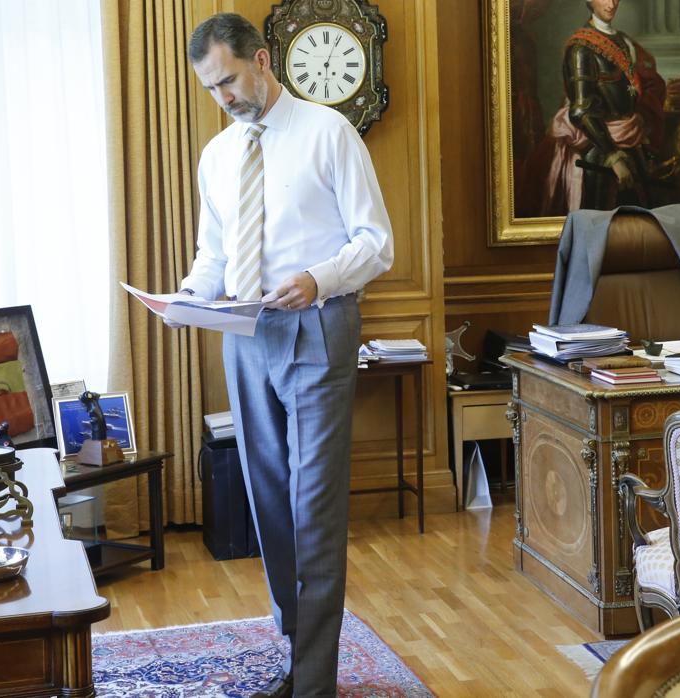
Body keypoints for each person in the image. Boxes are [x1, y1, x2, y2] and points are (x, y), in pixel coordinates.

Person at [176, 13, 393, 698]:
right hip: (244, 333)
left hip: (318, 325)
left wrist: (318, 278)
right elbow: (213, 255)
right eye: (211, 89)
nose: (224, 99)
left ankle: (314, 685)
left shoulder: (329, 132)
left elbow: (375, 242)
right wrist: (183, 298)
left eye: (229, 81)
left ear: (262, 60)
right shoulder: (218, 155)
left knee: (312, 503)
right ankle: (298, 655)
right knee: (268, 498)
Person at [529, 0, 668, 215]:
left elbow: (643, 86)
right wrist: (613, 157)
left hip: (632, 139)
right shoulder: (580, 49)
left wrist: (640, 119)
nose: (612, 3)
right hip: (598, 147)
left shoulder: (625, 42)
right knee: (600, 219)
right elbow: (581, 110)